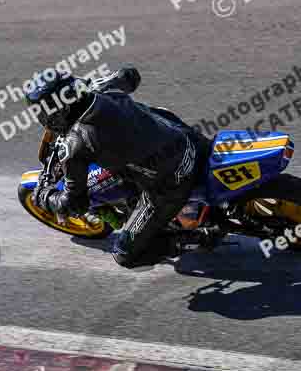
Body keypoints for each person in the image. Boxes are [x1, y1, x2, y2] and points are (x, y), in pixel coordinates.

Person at [26, 66, 214, 270]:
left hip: (172, 181)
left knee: (125, 256)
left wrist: (44, 197)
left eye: (43, 111)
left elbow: (74, 204)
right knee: (156, 115)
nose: (42, 117)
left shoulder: (75, 146)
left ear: (58, 110)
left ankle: (197, 238)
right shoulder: (100, 89)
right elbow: (130, 75)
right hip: (189, 141)